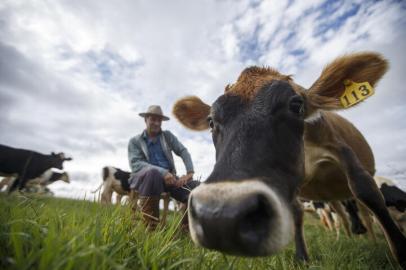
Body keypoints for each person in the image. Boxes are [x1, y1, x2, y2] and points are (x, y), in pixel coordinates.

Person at [128, 105, 199, 230]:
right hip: (145, 178)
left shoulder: (167, 136)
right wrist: (162, 172)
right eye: (152, 119)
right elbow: (136, 164)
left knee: (198, 188)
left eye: (159, 120)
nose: (156, 123)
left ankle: (185, 229)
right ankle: (151, 228)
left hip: (170, 179)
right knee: (153, 174)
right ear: (145, 120)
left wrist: (189, 172)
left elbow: (183, 151)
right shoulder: (135, 141)